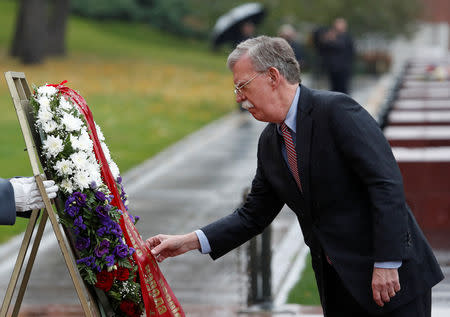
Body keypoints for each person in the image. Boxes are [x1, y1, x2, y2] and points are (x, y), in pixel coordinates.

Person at [146, 36, 443, 316]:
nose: (239, 99)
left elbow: (385, 184)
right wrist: (188, 241)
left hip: (391, 280)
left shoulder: (337, 111)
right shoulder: (270, 141)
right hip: (338, 285)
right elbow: (254, 214)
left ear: (273, 77)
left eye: (243, 86)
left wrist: (387, 262)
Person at [318, 18, 355, 94]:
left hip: (343, 69)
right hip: (333, 69)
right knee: (334, 90)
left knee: (343, 90)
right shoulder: (332, 36)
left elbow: (341, 46)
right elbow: (323, 47)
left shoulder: (346, 37)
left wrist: (331, 39)